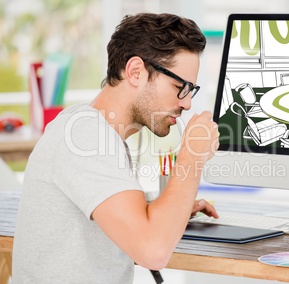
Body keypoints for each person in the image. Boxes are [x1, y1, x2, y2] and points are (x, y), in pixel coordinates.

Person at [13, 12, 220, 283]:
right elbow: (152, 252)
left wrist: (171, 209)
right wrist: (191, 157)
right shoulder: (85, 137)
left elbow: (126, 228)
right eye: (179, 86)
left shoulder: (92, 129)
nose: (187, 103)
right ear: (135, 71)